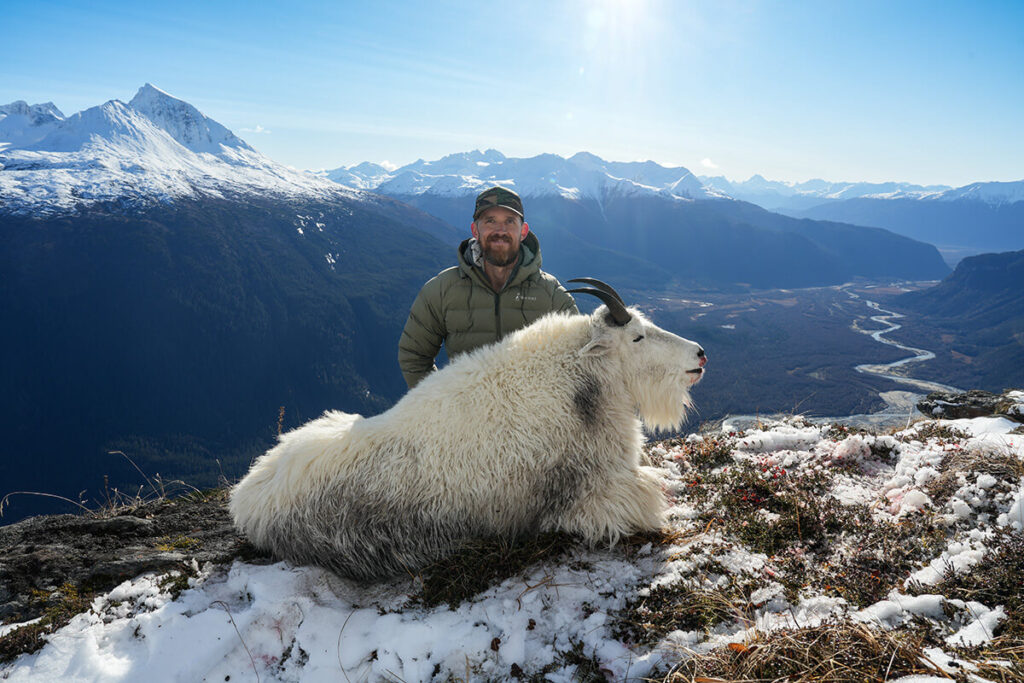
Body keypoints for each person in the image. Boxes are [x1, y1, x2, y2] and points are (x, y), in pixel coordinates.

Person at [398, 185, 578, 389]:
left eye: (510, 221)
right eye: (490, 221)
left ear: (523, 231)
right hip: (467, 418)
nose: (500, 231)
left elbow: (580, 357)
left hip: (534, 419)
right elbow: (413, 354)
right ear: (475, 230)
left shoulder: (551, 293)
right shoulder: (441, 290)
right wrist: (442, 405)